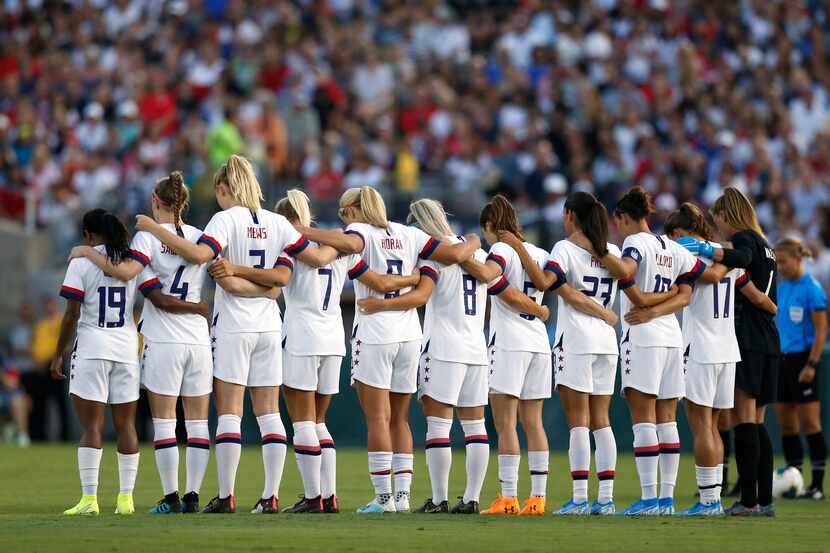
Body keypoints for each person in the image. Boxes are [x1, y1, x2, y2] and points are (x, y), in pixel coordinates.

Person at [135, 155, 337, 514]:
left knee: (230, 414)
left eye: (219, 193)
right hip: (269, 324)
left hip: (232, 325)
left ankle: (226, 496)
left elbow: (199, 254)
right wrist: (266, 287)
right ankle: (269, 496)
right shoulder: (278, 223)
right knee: (269, 414)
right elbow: (297, 270)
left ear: (224, 188)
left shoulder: (225, 219)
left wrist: (154, 229)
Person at [357, 198, 548, 514]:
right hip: (476, 347)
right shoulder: (480, 253)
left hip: (444, 347)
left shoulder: (436, 255)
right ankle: (472, 499)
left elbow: (421, 295)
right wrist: (538, 309)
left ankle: (439, 498)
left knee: (438, 426)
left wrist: (383, 304)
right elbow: (502, 287)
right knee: (475, 428)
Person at [298, 186, 480, 514]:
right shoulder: (407, 233)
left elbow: (350, 245)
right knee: (400, 419)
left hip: (375, 333)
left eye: (344, 212)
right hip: (410, 334)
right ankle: (404, 496)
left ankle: (383, 500)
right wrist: (473, 241)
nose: (343, 219)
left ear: (354, 209)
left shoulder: (360, 231)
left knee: (377, 419)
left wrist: (299, 230)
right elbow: (453, 256)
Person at [68, 172, 232, 514]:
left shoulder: (146, 238)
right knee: (199, 423)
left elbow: (125, 273)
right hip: (199, 341)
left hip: (164, 339)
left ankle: (171, 497)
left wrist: (86, 251)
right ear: (182, 202)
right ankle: (193, 496)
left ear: (156, 202)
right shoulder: (201, 237)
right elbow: (221, 271)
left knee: (165, 422)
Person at [269, 190, 417, 513]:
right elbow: (378, 281)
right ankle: (330, 494)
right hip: (334, 338)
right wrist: (413, 277)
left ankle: (312, 498)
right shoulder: (340, 247)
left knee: (302, 421)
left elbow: (277, 281)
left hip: (301, 335)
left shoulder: (288, 246)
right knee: (320, 421)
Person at [479, 194, 618, 516]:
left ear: (490, 226)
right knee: (535, 422)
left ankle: (509, 498)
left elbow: (492, 275)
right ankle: (538, 498)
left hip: (513, 341)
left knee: (506, 425)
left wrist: (469, 260)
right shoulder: (543, 253)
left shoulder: (502, 249)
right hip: (540, 342)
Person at [52, 209, 193, 516]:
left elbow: (72, 314)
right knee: (126, 424)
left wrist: (58, 352)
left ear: (89, 235)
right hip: (127, 349)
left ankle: (90, 500)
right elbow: (156, 298)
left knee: (92, 427)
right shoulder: (134, 261)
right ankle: (125, 500)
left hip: (91, 348)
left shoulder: (81, 261)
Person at [592, 187, 705, 516]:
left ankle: (649, 498)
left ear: (625, 218)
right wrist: (660, 305)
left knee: (643, 419)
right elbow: (686, 293)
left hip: (642, 336)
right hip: (672, 335)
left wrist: (602, 251)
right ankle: (667, 500)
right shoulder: (670, 246)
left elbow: (626, 270)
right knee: (667, 420)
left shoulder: (635, 243)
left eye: (619, 223)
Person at [664, 203, 777, 515]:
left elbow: (690, 287)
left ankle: (709, 500)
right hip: (729, 349)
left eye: (672, 236)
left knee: (701, 425)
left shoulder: (689, 255)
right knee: (714, 425)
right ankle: (712, 498)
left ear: (680, 233)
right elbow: (753, 294)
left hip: (700, 345)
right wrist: (773, 309)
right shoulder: (726, 253)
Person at [774, 237, 827, 500]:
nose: (780, 267)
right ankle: (794, 478)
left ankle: (817, 486)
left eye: (783, 262)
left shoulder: (812, 289)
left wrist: (812, 364)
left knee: (810, 423)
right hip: (782, 361)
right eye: (778, 262)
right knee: (787, 424)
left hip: (803, 359)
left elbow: (821, 330)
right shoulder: (782, 288)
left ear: (798, 259)